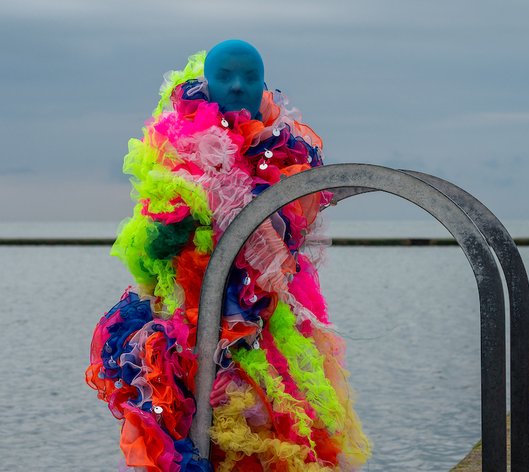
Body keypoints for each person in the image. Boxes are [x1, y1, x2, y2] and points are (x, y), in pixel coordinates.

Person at [86, 40, 371, 471]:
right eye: (225, 76)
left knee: (267, 410)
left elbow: (294, 228)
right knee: (192, 402)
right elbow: (156, 239)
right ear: (207, 81)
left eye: (249, 77)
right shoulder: (180, 142)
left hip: (260, 312)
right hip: (191, 306)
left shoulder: (287, 148)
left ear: (263, 84)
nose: (238, 86)